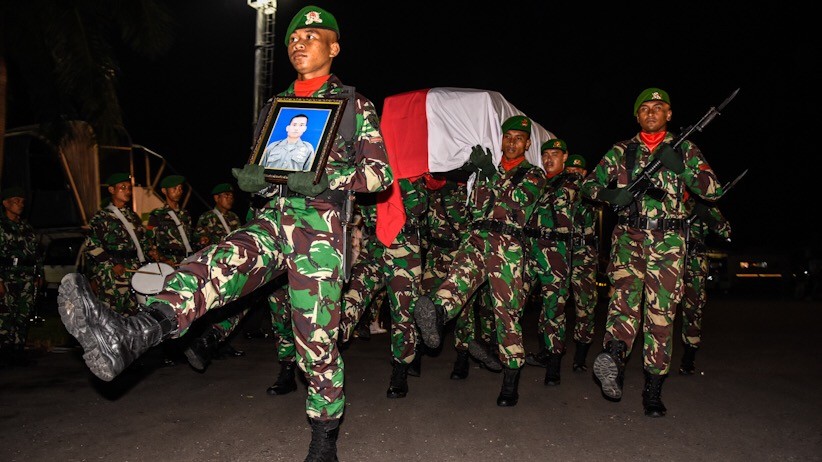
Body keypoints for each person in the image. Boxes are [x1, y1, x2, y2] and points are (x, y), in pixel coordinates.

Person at [57, 6, 393, 461]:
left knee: (315, 341)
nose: (299, 43)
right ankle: (135, 332)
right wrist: (253, 178)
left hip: (321, 232)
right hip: (272, 220)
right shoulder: (277, 108)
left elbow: (379, 175)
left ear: (333, 47)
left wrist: (328, 180)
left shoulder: (354, 105)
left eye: (312, 36)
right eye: (294, 37)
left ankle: (324, 435)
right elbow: (266, 166)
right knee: (215, 262)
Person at [581, 87, 723, 417]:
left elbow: (713, 191)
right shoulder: (621, 151)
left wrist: (684, 169)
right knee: (622, 306)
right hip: (629, 238)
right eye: (644, 108)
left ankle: (653, 389)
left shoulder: (684, 148)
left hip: (670, 243)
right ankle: (612, 361)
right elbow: (588, 184)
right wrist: (609, 194)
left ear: (669, 114)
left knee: (661, 317)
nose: (651, 112)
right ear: (637, 115)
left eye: (658, 107)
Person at [414, 115, 547, 407]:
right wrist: (479, 173)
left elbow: (514, 204)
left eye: (517, 138)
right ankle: (433, 317)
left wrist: (490, 174)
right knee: (453, 284)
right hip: (476, 238)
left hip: (508, 246)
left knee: (506, 314)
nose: (511, 143)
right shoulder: (485, 172)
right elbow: (476, 208)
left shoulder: (534, 175)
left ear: (526, 143)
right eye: (507, 137)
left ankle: (511, 377)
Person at [338, 176, 427, 399]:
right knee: (352, 294)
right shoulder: (369, 174)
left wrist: (399, 181)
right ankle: (333, 343)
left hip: (403, 250)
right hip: (374, 247)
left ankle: (400, 369)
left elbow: (419, 206)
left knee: (402, 313)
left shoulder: (411, 175)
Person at [521, 138, 579, 387]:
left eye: (554, 154)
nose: (548, 159)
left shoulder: (572, 182)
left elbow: (562, 200)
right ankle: (506, 350)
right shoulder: (538, 181)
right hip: (530, 248)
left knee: (554, 308)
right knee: (514, 299)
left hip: (555, 251)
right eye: (545, 155)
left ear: (564, 157)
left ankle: (553, 362)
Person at [83, 172, 153, 315]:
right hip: (113, 274)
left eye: (128, 188)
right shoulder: (102, 217)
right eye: (122, 187)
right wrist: (112, 264)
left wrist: (151, 251)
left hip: (133, 271)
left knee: (133, 313)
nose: (127, 191)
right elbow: (91, 245)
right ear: (111, 190)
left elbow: (142, 240)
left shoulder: (132, 216)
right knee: (112, 314)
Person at [678, 195, 731, 375]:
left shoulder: (703, 204)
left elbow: (726, 231)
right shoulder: (669, 195)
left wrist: (707, 216)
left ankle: (689, 358)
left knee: (693, 310)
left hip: (694, 264)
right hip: (669, 261)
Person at [564, 154, 601, 373]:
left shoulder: (589, 192)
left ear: (584, 174)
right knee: (554, 303)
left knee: (585, 306)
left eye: (578, 172)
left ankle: (580, 356)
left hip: (584, 255)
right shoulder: (559, 190)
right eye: (569, 171)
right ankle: (548, 351)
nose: (573, 175)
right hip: (561, 252)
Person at [0, 186, 44, 366]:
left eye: (22, 202)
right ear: (5, 203)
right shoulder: (2, 226)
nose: (20, 204)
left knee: (23, 314)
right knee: (5, 315)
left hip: (26, 276)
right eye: (16, 201)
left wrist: (39, 274)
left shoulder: (26, 227)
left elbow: (36, 253)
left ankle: (18, 350)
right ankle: (4, 352)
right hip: (7, 276)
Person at [193, 183, 242, 248]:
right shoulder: (207, 217)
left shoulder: (234, 216)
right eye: (226, 195)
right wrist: (203, 240)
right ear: (216, 198)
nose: (230, 199)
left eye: (231, 196)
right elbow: (197, 239)